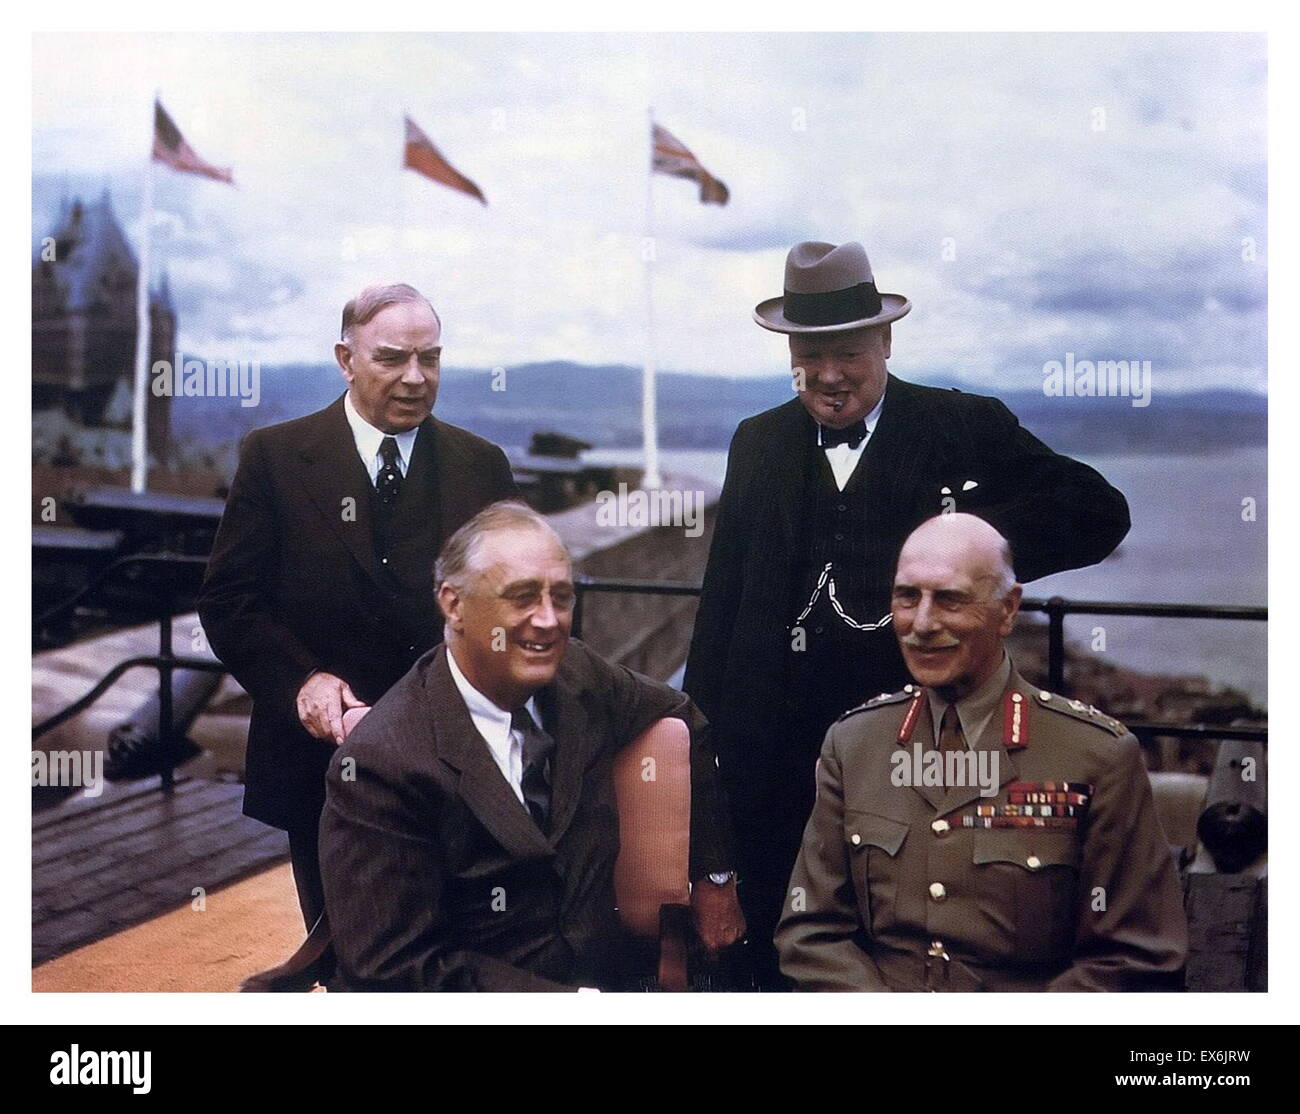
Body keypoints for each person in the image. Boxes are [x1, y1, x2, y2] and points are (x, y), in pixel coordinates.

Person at [684, 239, 1133, 987]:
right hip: (772, 791)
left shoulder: (963, 425)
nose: (828, 375)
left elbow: (1098, 511)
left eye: (849, 353)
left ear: (886, 341)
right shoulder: (756, 442)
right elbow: (719, 618)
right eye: (808, 354)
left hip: (919, 770)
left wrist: (968, 544)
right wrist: (709, 842)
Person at [317, 502, 744, 990]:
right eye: (522, 597)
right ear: (453, 604)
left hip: (615, 978)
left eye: (561, 598)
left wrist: (715, 878)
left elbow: (685, 717)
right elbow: (391, 970)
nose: (548, 621)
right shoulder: (382, 765)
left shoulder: (577, 675)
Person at [198, 283, 518, 928]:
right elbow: (231, 601)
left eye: (430, 359)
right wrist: (302, 682)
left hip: (453, 768)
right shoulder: (275, 457)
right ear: (345, 359)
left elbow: (511, 609)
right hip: (316, 766)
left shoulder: (481, 466)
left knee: (453, 955)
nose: (415, 378)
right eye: (392, 359)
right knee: (339, 955)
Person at [775, 513, 1187, 991]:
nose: (922, 624)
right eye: (907, 596)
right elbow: (810, 931)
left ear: (1009, 610)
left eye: (949, 599)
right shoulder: (854, 744)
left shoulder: (1095, 756)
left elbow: (1138, 957)